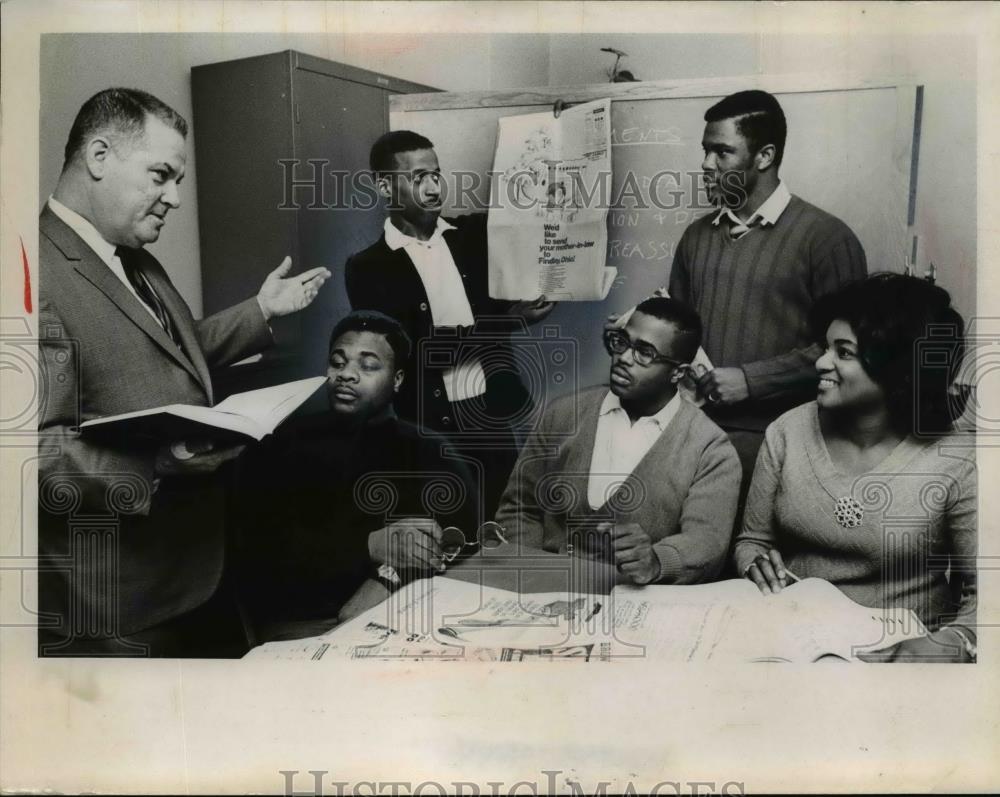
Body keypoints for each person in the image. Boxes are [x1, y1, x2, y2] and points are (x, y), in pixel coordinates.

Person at [38, 88, 331, 657]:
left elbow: (168, 348)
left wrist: (261, 311)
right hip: (120, 601)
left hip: (199, 572)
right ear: (99, 157)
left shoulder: (133, 255)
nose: (173, 197)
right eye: (161, 175)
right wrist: (157, 463)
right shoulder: (31, 271)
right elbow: (31, 452)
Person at [734, 274, 977, 662]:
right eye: (826, 347)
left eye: (843, 352)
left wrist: (953, 643)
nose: (820, 362)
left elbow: (986, 597)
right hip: (794, 639)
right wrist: (754, 563)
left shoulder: (958, 459)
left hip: (903, 655)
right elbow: (753, 540)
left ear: (895, 368)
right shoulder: (788, 430)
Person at [667, 90, 868, 503]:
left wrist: (751, 381)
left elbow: (856, 352)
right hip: (691, 432)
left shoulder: (827, 239)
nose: (706, 165)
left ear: (764, 156)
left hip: (779, 440)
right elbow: (679, 331)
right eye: (705, 151)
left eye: (722, 152)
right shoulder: (696, 237)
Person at [344, 130, 555, 519]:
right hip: (430, 429)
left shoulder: (473, 237)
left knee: (505, 526)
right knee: (451, 536)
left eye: (436, 174)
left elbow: (536, 219)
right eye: (418, 176)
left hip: (491, 417)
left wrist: (551, 133)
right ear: (385, 185)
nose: (432, 186)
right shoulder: (368, 267)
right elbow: (411, 352)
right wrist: (504, 324)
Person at [237, 311, 478, 642]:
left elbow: (460, 544)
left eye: (368, 366)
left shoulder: (431, 452)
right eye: (338, 363)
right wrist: (368, 544)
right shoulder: (281, 443)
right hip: (304, 625)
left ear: (397, 379)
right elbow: (257, 550)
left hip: (411, 619)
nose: (346, 375)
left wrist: (388, 580)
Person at [495, 297, 741, 585]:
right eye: (622, 342)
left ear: (679, 373)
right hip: (546, 592)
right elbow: (519, 508)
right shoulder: (562, 414)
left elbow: (707, 541)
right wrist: (533, 573)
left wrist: (657, 561)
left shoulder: (711, 449)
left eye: (645, 353)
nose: (623, 358)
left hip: (640, 603)